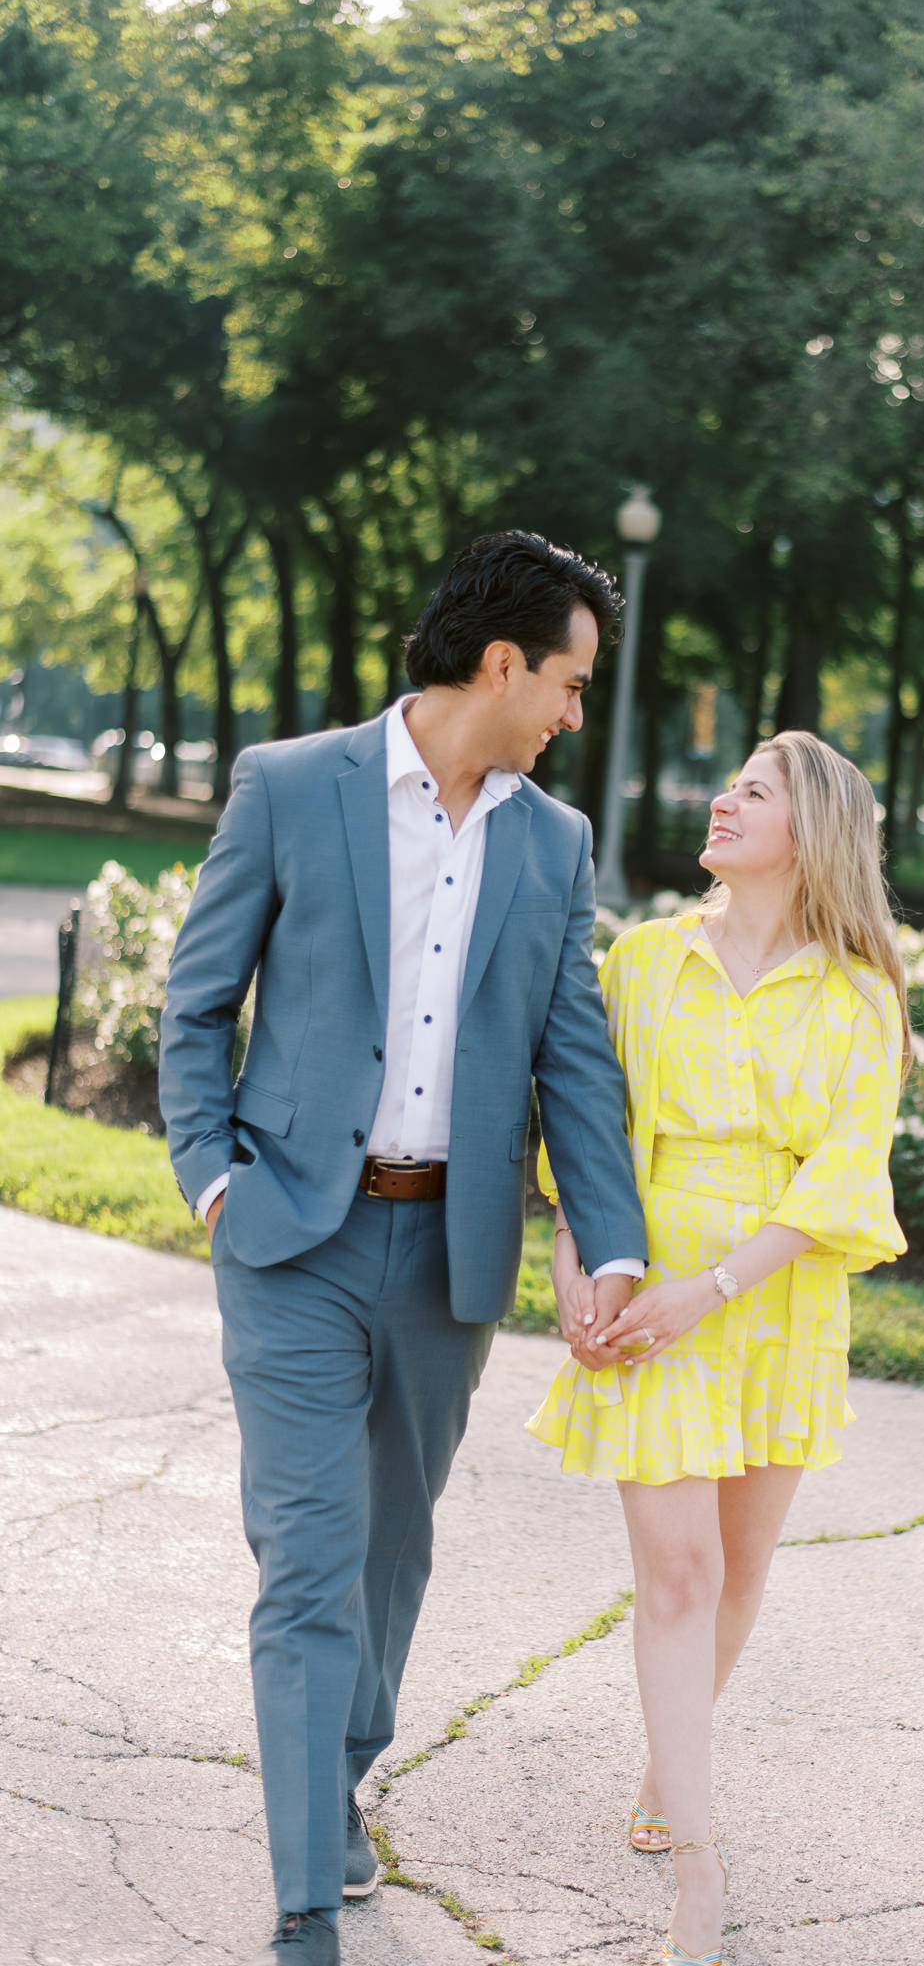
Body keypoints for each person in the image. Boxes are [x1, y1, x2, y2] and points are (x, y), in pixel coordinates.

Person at [159, 531, 648, 1966]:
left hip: (449, 1257)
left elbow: (574, 1062)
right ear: (501, 664)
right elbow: (195, 1010)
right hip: (290, 1239)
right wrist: (213, 1185)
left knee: (391, 1555)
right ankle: (305, 1901)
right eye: (567, 684)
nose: (573, 714)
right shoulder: (290, 786)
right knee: (309, 1557)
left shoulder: (549, 844)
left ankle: (340, 1774)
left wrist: (602, 1243)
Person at [527, 730, 910, 1966]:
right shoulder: (642, 964)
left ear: (813, 832)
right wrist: (576, 1263)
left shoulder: (859, 997)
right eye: (727, 783)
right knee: (679, 1577)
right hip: (649, 1291)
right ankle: (698, 1869)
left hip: (772, 1298)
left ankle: (663, 1765)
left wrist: (720, 1285)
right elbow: (588, 1129)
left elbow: (845, 1171)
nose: (721, 799)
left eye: (753, 790)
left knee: (739, 1577)